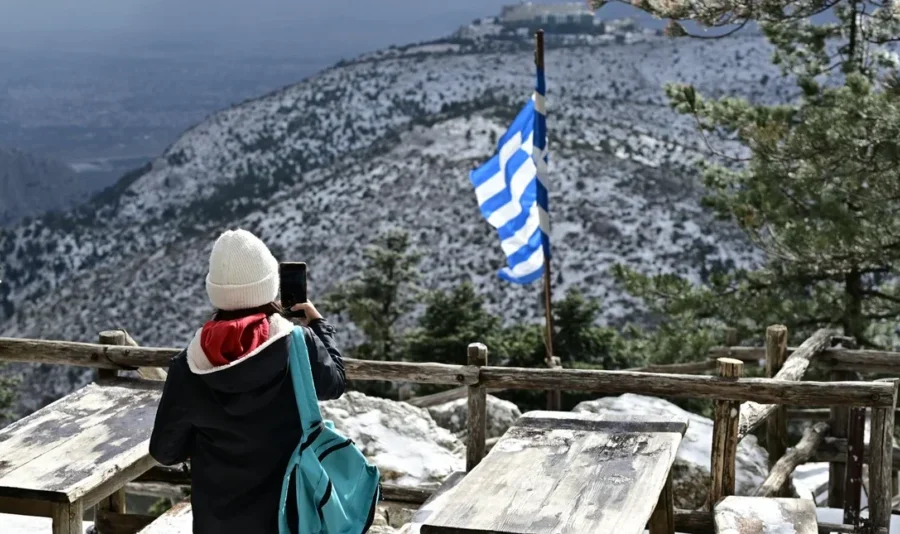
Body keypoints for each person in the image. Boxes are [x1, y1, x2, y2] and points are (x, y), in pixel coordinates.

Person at [149, 228, 346, 534]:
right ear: (270, 288)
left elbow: (164, 451)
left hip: (217, 522)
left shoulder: (189, 365)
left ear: (217, 293)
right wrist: (319, 327)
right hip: (289, 515)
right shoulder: (298, 343)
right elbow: (333, 384)